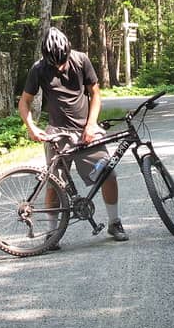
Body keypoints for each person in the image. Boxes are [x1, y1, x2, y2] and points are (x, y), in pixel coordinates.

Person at [18, 26, 128, 242]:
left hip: (85, 130)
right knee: (54, 185)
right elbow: (24, 102)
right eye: (54, 62)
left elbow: (95, 94)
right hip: (57, 132)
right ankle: (51, 235)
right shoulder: (39, 68)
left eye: (62, 61)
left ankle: (114, 223)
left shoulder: (81, 60)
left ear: (68, 52)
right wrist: (31, 127)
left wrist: (91, 124)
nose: (59, 66)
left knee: (108, 174)